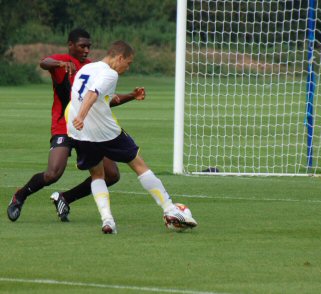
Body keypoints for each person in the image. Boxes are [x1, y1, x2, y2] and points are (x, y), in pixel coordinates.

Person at [7, 28, 142, 222]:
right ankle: (19, 196)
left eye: (89, 46)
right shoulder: (61, 60)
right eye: (82, 46)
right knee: (53, 173)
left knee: (111, 175)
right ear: (70, 45)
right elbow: (43, 62)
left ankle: (65, 198)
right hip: (64, 125)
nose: (86, 50)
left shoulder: (93, 67)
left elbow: (103, 100)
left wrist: (132, 95)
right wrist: (61, 63)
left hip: (88, 127)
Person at [67, 40, 197, 233]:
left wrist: (130, 96)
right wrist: (82, 116)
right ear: (119, 57)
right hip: (103, 131)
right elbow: (93, 94)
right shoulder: (110, 74)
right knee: (139, 165)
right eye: (128, 63)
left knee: (97, 174)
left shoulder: (86, 69)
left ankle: (107, 220)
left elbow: (101, 97)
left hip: (80, 133)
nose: (126, 68)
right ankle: (170, 209)